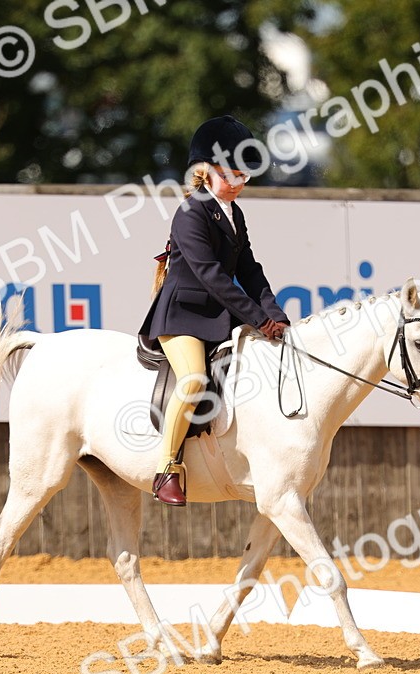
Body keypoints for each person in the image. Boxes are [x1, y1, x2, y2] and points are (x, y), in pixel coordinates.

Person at [137, 115, 291, 506]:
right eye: (232, 176)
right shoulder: (191, 213)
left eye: (244, 177)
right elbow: (211, 277)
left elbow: (250, 272)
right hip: (183, 316)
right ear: (205, 171)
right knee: (192, 382)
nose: (240, 185)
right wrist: (258, 319)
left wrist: (276, 314)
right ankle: (167, 468)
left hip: (220, 317)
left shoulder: (235, 215)